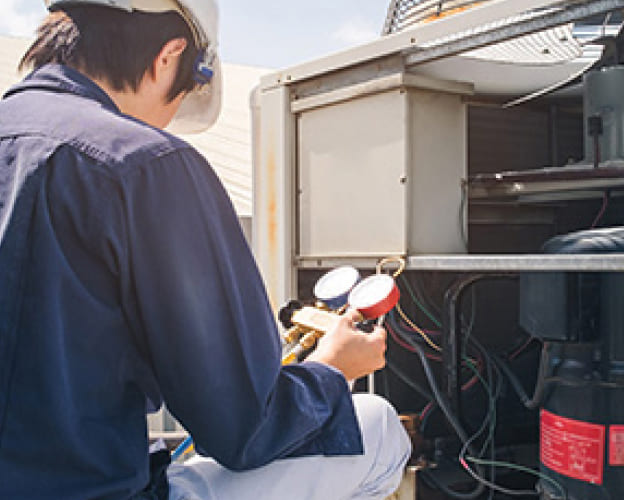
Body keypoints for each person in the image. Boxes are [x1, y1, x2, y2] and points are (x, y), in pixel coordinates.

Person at [0, 1, 411, 499]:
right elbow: (243, 427)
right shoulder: (147, 163)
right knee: (378, 429)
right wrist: (331, 369)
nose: (168, 121)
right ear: (170, 56)